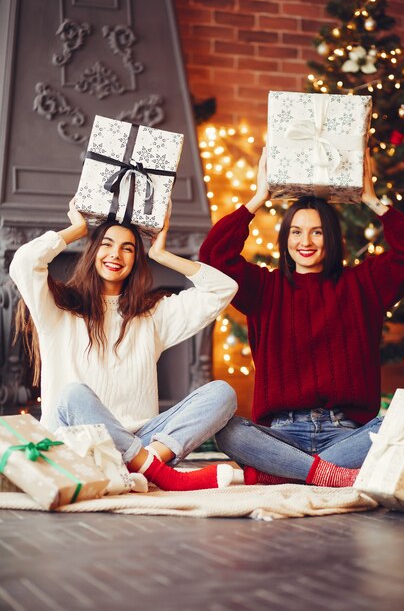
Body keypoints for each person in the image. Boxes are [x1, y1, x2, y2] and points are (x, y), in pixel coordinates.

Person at [199, 148, 404, 487]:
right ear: (285, 239)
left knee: (403, 423)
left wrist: (372, 200)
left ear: (332, 238)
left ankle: (284, 472)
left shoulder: (362, 285)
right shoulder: (264, 288)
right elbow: (213, 256)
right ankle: (324, 474)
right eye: (296, 232)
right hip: (283, 434)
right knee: (228, 432)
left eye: (317, 232)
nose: (306, 241)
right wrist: (258, 198)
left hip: (346, 435)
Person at [10, 199, 239, 492]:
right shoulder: (58, 307)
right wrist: (75, 230)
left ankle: (146, 465)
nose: (115, 254)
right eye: (106, 244)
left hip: (140, 442)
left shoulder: (152, 315)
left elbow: (223, 289)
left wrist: (161, 254)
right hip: (76, 442)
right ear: (93, 252)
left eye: (127, 248)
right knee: (72, 395)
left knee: (222, 393)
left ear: (136, 259)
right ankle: (160, 474)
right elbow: (24, 263)